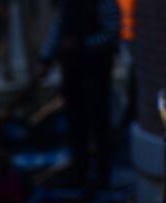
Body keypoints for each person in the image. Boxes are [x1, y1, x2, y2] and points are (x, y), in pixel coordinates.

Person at [38, 0, 121, 191]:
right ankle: (80, 175)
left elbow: (112, 34)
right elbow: (57, 28)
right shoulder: (67, 5)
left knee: (99, 126)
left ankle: (102, 177)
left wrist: (81, 44)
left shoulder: (104, 3)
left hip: (96, 73)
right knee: (76, 125)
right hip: (73, 73)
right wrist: (44, 59)